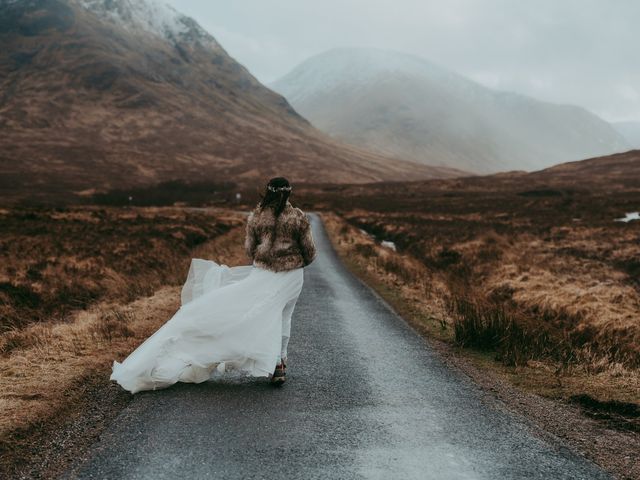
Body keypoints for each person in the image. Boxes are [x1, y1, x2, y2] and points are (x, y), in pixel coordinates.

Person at [110, 177, 316, 393]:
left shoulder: (256, 217)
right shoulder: (298, 217)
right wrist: (295, 261)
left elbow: (250, 249)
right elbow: (309, 251)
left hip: (264, 273)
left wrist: (264, 262)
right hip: (292, 275)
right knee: (284, 316)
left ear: (267, 192)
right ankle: (280, 362)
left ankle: (275, 364)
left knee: (264, 314)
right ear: (289, 193)